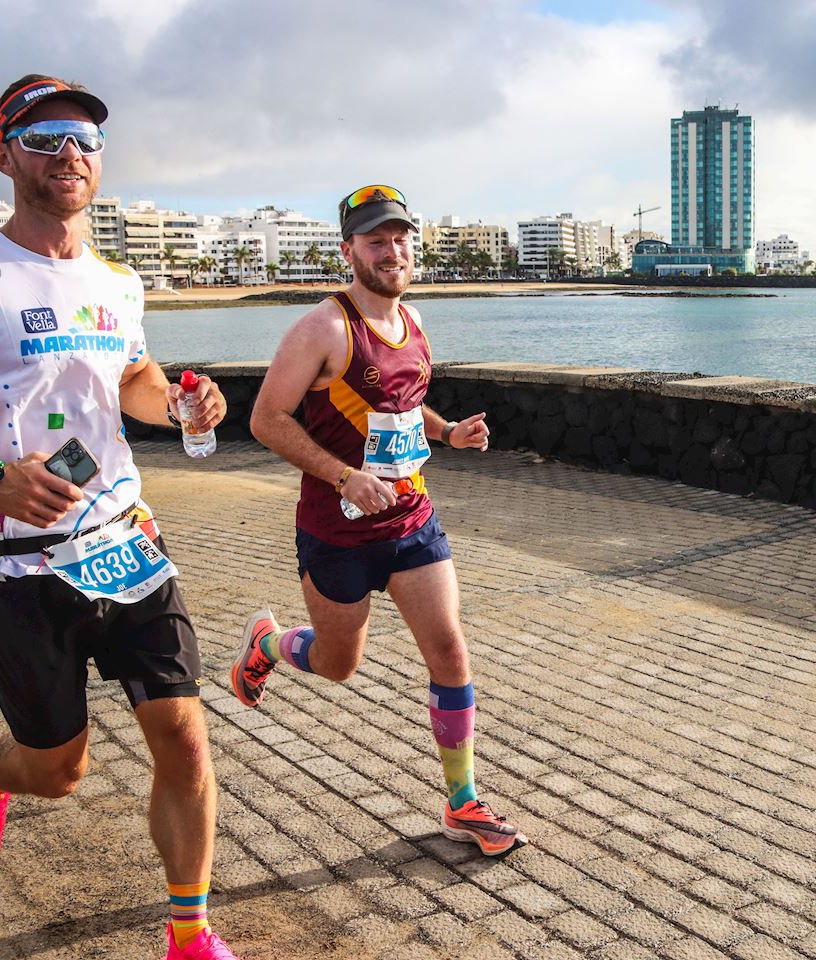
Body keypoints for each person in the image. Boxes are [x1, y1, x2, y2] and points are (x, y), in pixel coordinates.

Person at [0, 75, 241, 960]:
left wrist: (182, 408)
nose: (71, 151)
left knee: (182, 739)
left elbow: (132, 380)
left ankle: (190, 932)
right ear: (4, 156)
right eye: (45, 135)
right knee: (58, 773)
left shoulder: (118, 281)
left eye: (87, 139)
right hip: (19, 565)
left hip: (126, 541)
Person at [234, 184, 522, 856]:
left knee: (449, 650)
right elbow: (265, 419)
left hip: (412, 521)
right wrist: (342, 475)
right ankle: (270, 646)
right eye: (375, 241)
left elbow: (400, 405)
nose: (391, 252)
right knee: (338, 665)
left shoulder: (415, 321)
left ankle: (462, 802)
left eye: (399, 239)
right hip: (337, 531)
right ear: (349, 251)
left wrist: (448, 433)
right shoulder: (322, 329)